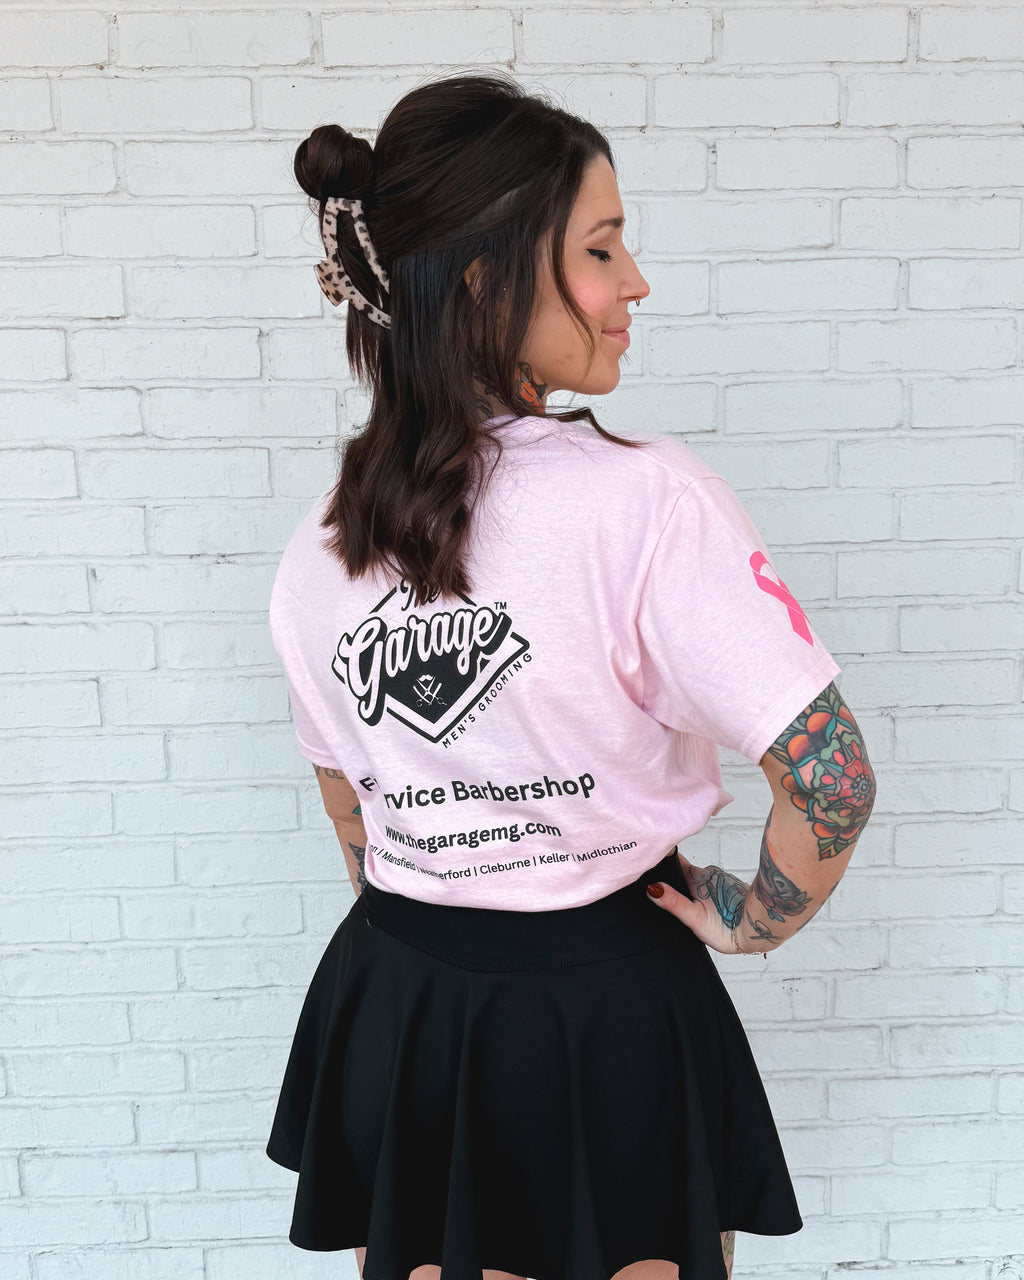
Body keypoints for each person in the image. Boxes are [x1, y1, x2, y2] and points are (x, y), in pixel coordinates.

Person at [264, 71, 877, 1280]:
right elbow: (833, 779)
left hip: (401, 1001)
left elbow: (354, 813)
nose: (632, 282)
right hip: (608, 1008)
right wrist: (752, 917)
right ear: (483, 278)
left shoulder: (320, 541)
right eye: (600, 249)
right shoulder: (649, 504)